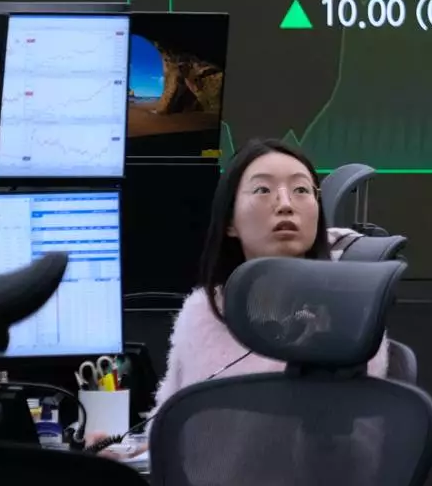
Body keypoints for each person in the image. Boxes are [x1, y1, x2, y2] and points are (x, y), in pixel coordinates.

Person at [92, 138, 390, 458]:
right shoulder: (202, 312)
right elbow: (171, 431)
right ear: (230, 222)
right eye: (263, 190)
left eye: (302, 190)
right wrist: (130, 457)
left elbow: (359, 463)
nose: (285, 203)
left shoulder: (348, 318)